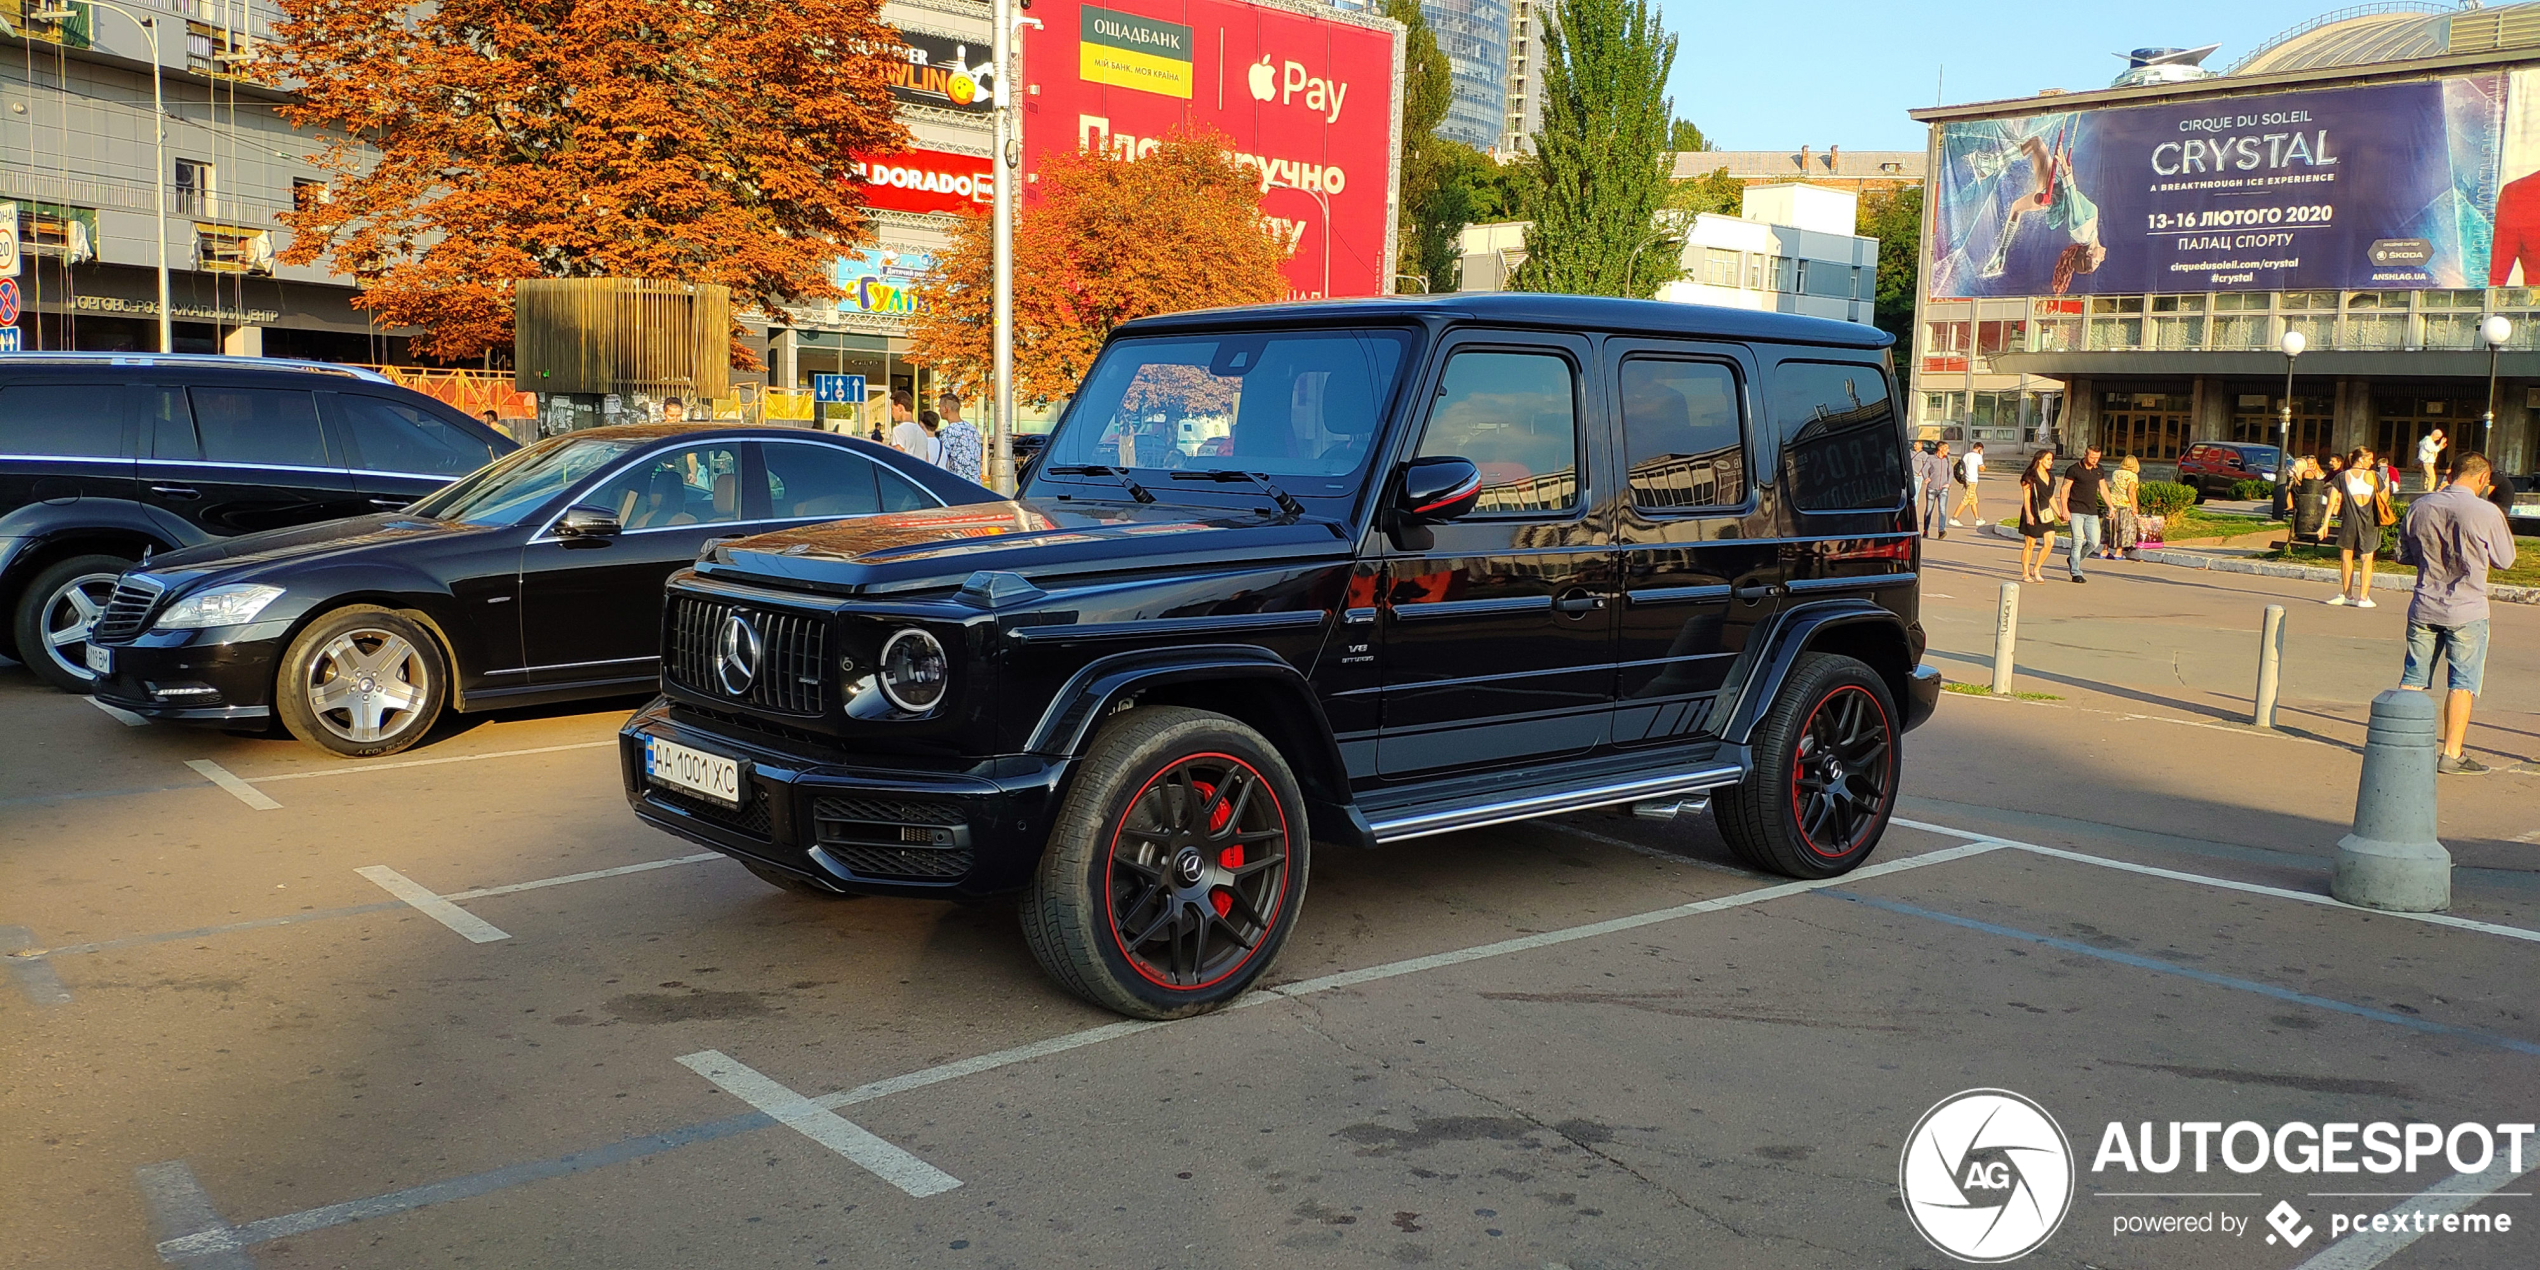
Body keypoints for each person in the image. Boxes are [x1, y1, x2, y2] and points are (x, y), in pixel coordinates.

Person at [2395, 453, 2518, 774]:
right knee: (2462, 681)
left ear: (2451, 473)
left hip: (2424, 603)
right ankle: (2451, 752)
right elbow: (2505, 560)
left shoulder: (2420, 506)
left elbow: (2403, 554)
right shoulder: (2487, 512)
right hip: (2467, 607)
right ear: (2482, 479)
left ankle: (2400, 742)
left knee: (2413, 677)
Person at [2322, 446, 2386, 607]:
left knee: (2346, 557)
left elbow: (2331, 502)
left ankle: (2347, 594)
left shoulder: (2342, 477)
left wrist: (2325, 525)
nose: (2372, 462)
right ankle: (2363, 597)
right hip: (2370, 522)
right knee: (2367, 558)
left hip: (2349, 521)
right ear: (2361, 459)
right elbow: (2385, 497)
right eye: (2370, 459)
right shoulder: (2375, 477)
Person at [2051, 444, 2108, 582]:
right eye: (2092, 457)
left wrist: (2110, 506)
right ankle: (2076, 572)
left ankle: (2073, 559)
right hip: (2075, 509)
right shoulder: (2074, 469)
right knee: (2077, 541)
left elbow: (2103, 489)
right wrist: (2064, 509)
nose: (2095, 460)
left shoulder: (2098, 470)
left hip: (2091, 511)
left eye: (2097, 458)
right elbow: (2065, 490)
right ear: (2085, 454)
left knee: (2094, 542)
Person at [2018, 449, 2060, 582]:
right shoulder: (2030, 476)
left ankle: (2036, 568)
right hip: (2032, 511)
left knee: (2049, 543)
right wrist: (2029, 514)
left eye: (2051, 459)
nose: (2050, 462)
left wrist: (2059, 513)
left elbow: (2050, 496)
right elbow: (2026, 497)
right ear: (2040, 460)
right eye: (2048, 459)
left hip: (2046, 513)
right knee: (2030, 544)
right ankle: (2025, 572)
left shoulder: (2051, 476)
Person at [935, 391, 985, 485]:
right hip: (976, 484)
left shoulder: (948, 431)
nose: (939, 410)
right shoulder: (973, 430)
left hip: (958, 483)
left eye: (940, 407)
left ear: (946, 409)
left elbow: (942, 460)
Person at [2104, 455, 2142, 559]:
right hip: (2125, 504)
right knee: (2122, 528)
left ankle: (2104, 550)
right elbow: (2131, 492)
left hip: (2112, 503)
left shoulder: (2115, 473)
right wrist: (2135, 507)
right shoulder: (2133, 476)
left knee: (2110, 527)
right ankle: (2118, 551)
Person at [2290, 456, 2331, 545]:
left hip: (2316, 500)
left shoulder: (2318, 472)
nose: (2310, 466)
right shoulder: (2306, 473)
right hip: (2308, 500)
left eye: (2312, 464)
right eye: (2308, 464)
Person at [891, 395, 942, 466]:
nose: (892, 413)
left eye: (892, 409)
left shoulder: (898, 430)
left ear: (900, 408)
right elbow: (926, 460)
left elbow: (898, 457)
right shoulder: (921, 432)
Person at [1916, 441, 1952, 538]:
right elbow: (1924, 469)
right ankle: (1926, 530)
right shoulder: (1931, 458)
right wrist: (1926, 478)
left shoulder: (1947, 459)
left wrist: (1948, 483)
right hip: (1932, 488)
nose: (1948, 451)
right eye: (1946, 448)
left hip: (1943, 488)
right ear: (1940, 449)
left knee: (1942, 509)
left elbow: (1950, 472)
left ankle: (1941, 530)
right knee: (1929, 510)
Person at [1952, 441, 1984, 526]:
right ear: (1979, 449)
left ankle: (1977, 519)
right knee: (1966, 499)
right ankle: (1954, 518)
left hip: (1966, 479)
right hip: (1973, 480)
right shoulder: (1978, 456)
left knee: (1973, 500)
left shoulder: (1966, 455)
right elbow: (1982, 468)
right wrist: (1981, 456)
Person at [2418, 428, 2445, 493]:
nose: (2438, 439)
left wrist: (2440, 446)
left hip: (2425, 461)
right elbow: (2433, 449)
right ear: (2434, 435)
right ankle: (2429, 491)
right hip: (2428, 462)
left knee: (2425, 477)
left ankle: (2423, 490)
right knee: (2432, 477)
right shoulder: (2428, 441)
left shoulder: (2426, 440)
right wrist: (2441, 444)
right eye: (2438, 437)